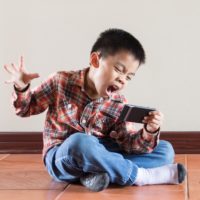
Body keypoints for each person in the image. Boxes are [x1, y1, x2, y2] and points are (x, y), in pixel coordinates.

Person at [4, 28, 186, 192]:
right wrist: (22, 87)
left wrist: (149, 130)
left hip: (101, 152)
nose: (123, 80)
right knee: (81, 143)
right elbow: (25, 109)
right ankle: (140, 177)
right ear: (95, 60)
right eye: (119, 70)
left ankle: (95, 174)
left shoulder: (119, 102)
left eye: (129, 77)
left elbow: (128, 144)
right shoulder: (61, 81)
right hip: (64, 155)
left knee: (165, 150)